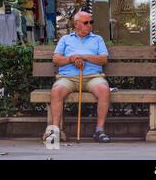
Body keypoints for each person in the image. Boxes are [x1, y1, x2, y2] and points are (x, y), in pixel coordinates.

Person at [46, 11, 111, 143]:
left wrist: (83, 57)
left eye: (90, 22)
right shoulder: (65, 39)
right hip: (68, 78)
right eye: (86, 22)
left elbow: (104, 59)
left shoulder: (97, 39)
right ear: (76, 24)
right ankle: (56, 131)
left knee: (104, 90)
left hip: (92, 77)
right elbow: (56, 59)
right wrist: (71, 58)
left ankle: (99, 130)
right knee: (56, 91)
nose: (89, 25)